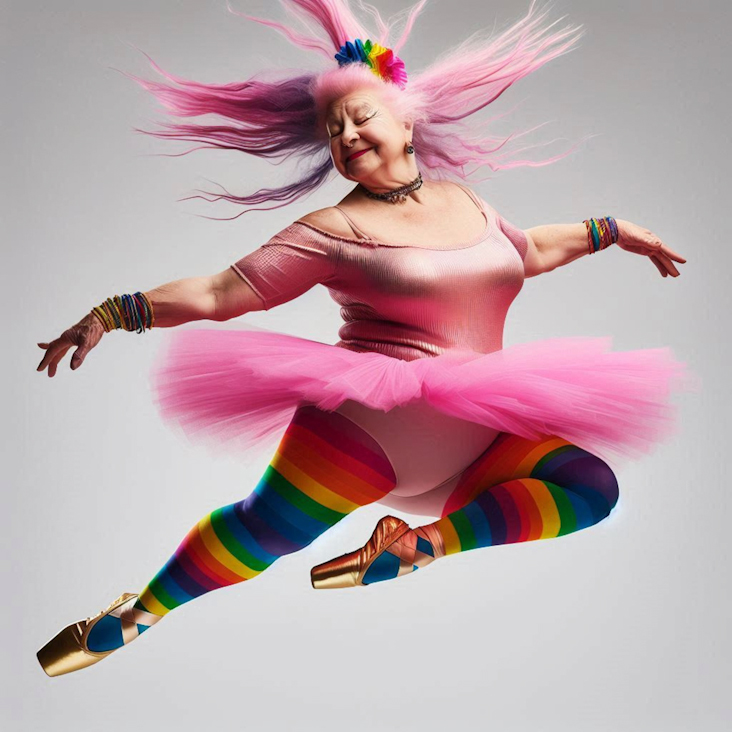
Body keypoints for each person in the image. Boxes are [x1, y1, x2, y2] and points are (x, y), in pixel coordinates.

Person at [35, 0, 695, 677]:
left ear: (407, 117)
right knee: (261, 532)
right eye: (332, 129)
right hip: (369, 427)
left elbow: (523, 252)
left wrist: (608, 230)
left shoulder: (469, 203)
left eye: (360, 115)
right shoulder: (331, 230)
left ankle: (417, 546)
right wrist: (113, 313)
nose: (345, 133)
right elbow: (219, 292)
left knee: (589, 487)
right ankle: (133, 616)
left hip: (475, 436)